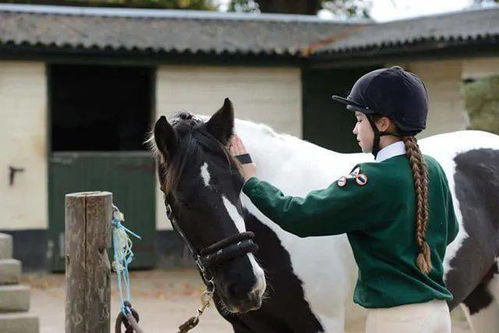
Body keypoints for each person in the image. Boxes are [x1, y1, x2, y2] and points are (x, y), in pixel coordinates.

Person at [228, 66, 459, 333]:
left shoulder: (370, 178)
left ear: (382, 124)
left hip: (395, 321)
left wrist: (252, 180)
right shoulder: (432, 168)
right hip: (438, 314)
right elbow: (449, 230)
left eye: (360, 119)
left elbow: (298, 216)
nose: (354, 129)